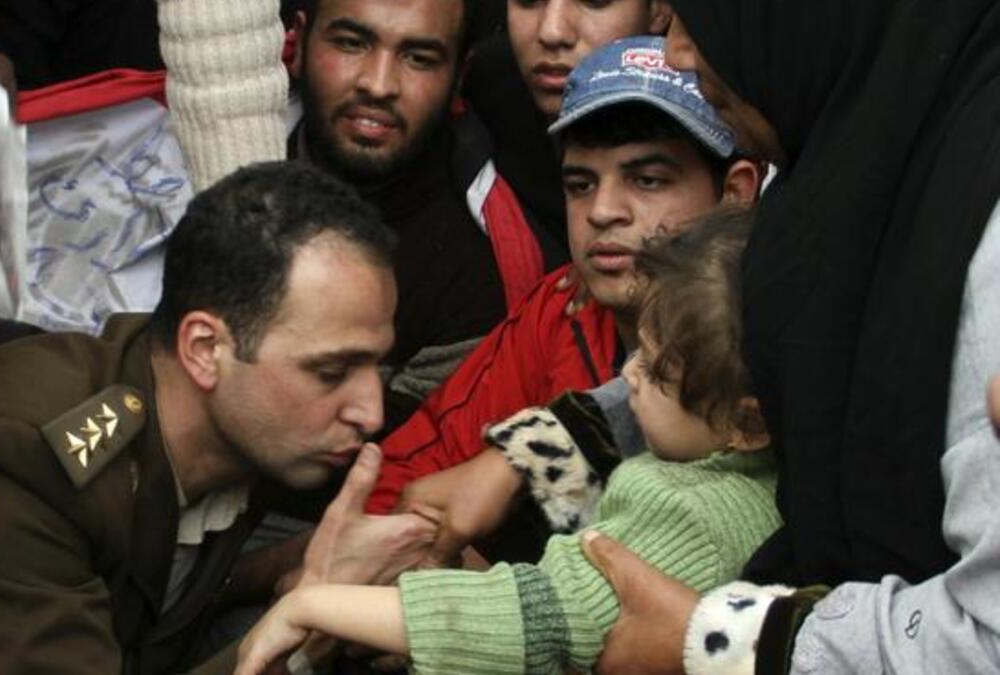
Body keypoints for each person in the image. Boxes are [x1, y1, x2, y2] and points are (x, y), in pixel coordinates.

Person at [0, 161, 438, 674]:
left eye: (372, 369)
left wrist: (292, 567)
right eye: (331, 372)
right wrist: (307, 620)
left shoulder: (255, 415)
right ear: (205, 350)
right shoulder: (16, 460)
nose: (368, 410)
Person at [565, 3, 1000, 674]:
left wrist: (725, 641)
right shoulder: (856, 156)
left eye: (700, 14)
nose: (677, 51)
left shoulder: (983, 230)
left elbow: (988, 635)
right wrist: (541, 452)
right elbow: (714, 367)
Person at [236, 210, 781, 675]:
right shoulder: (762, 479)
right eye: (636, 349)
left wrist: (319, 606)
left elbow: (541, 618)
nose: (629, 375)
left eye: (658, 372)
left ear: (747, 425)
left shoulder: (685, 512)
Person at [365, 37, 762, 544]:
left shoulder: (776, 335)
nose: (602, 211)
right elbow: (415, 473)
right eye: (580, 185)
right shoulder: (561, 309)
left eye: (647, 180)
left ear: (735, 193)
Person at [287, 0, 559, 432]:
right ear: (298, 44)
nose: (378, 85)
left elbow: (381, 466)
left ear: (459, 77)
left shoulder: (473, 267)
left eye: (418, 58)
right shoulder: (172, 172)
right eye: (352, 43)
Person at [462, 0, 672, 246]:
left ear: (659, 9)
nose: (552, 32)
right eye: (528, 1)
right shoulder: (483, 93)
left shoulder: (717, 107)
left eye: (594, 2)